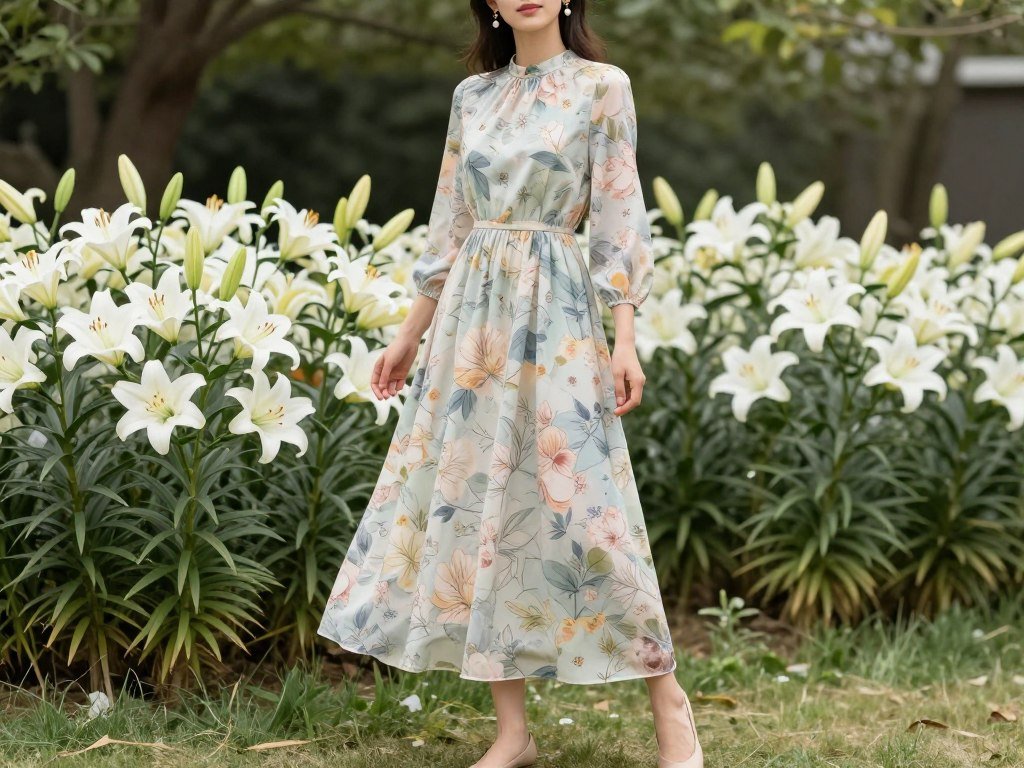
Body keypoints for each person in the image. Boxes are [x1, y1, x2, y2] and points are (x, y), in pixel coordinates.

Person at [317, 2, 703, 766]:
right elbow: (450, 222)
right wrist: (408, 335)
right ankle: (513, 734)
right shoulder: (474, 97)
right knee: (481, 506)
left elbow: (621, 216)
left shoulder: (602, 86)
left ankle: (669, 703)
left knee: (590, 509)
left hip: (558, 316)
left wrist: (625, 335)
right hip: (473, 324)